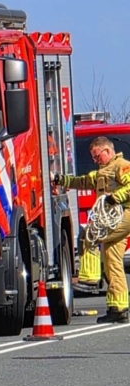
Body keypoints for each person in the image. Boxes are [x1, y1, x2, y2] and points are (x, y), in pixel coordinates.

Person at [54, 136, 130, 323]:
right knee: (112, 259)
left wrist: (115, 198)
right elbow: (82, 182)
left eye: (97, 156)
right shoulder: (102, 172)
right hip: (118, 216)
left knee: (91, 234)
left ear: (107, 151)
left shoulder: (121, 165)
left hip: (126, 213)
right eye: (93, 158)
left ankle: (89, 279)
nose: (95, 161)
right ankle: (118, 308)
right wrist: (60, 180)